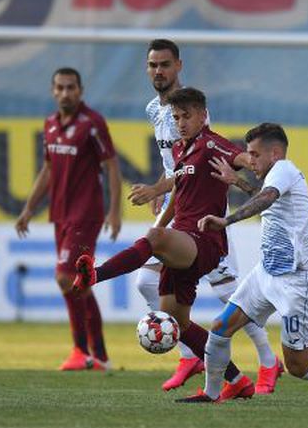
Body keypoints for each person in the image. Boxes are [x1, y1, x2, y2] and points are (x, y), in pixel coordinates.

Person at [72, 87, 257, 400]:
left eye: (187, 116)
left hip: (204, 240)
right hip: (182, 241)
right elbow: (178, 197)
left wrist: (240, 175)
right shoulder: (181, 151)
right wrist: (157, 227)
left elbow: (249, 161)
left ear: (203, 115)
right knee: (179, 324)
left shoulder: (213, 144)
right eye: (176, 117)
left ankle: (95, 275)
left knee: (156, 240)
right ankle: (237, 381)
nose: (180, 123)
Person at [128, 39, 281, 393]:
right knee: (146, 282)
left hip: (203, 213)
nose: (158, 71)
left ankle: (269, 361)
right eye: (152, 65)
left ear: (178, 66)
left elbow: (197, 162)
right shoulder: (154, 109)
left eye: (165, 64)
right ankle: (190, 355)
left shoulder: (193, 111)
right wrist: (162, 190)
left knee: (229, 293)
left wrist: (157, 188)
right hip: (178, 204)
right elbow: (175, 163)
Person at [190, 123, 308, 405]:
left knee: (299, 366)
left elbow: (266, 198)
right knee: (221, 326)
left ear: (274, 153)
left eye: (254, 154)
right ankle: (211, 394)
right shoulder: (277, 177)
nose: (249, 160)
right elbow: (266, 198)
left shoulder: (284, 169)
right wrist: (237, 182)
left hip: (297, 282)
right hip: (266, 273)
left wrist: (226, 220)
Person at [15, 67, 122, 371]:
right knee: (79, 284)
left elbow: (112, 166)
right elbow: (48, 169)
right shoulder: (50, 124)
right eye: (60, 87)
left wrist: (115, 210)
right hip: (60, 213)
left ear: (80, 90)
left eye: (71, 87)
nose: (65, 93)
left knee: (64, 277)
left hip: (86, 213)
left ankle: (80, 350)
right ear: (53, 91)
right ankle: (99, 356)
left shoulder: (92, 123)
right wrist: (29, 208)